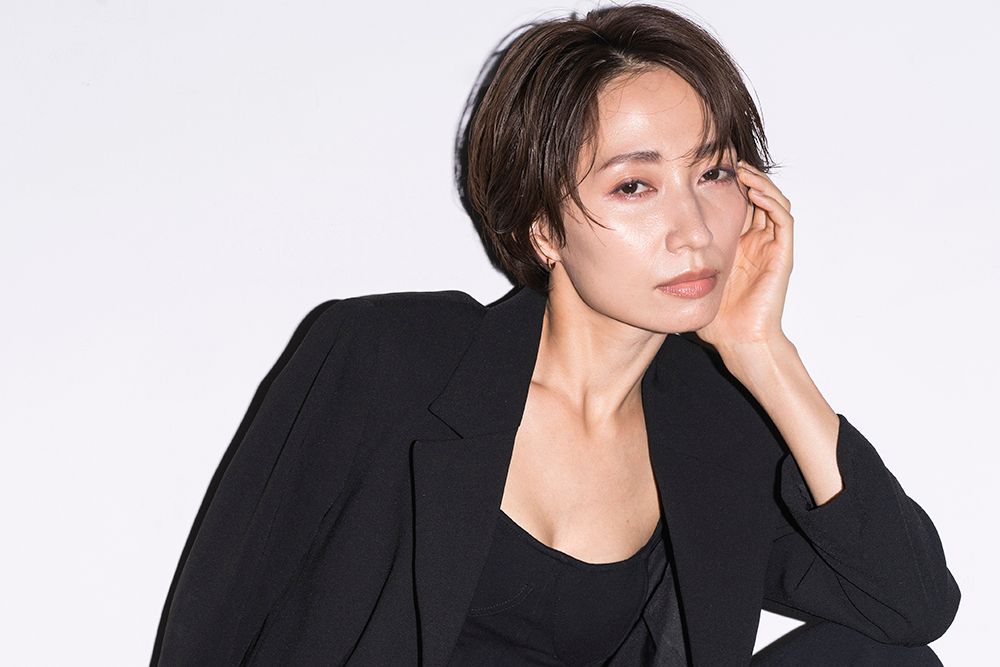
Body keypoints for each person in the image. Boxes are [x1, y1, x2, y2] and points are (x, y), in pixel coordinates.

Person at [150, 3, 960, 665]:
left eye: (712, 172)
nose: (692, 228)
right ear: (543, 228)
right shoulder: (391, 357)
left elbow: (909, 607)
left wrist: (764, 354)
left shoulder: (713, 431)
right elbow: (218, 617)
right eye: (635, 184)